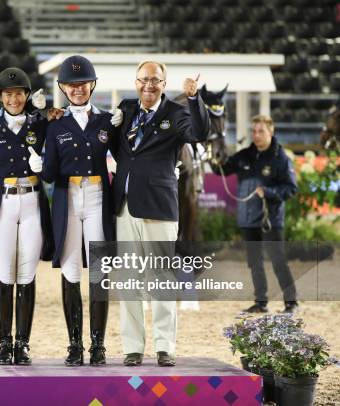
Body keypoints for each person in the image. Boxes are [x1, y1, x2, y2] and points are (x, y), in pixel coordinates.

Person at [114, 60, 209, 367]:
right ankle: (132, 346)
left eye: (155, 80)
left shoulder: (177, 113)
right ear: (136, 81)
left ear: (164, 85)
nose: (148, 85)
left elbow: (199, 132)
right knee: (129, 279)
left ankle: (164, 346)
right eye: (143, 79)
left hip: (158, 207)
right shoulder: (126, 110)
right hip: (125, 208)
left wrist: (194, 99)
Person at [33, 55, 122, 366]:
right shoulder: (56, 124)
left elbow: (125, 157)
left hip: (98, 194)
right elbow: (47, 174)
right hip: (68, 197)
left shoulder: (107, 122)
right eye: (71, 85)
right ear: (63, 89)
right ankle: (74, 343)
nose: (77, 89)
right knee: (70, 269)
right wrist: (40, 162)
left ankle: (98, 344)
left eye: (82, 84)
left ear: (92, 85)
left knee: (100, 271)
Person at [0, 67, 50, 366]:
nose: (14, 99)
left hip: (32, 202)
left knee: (27, 275)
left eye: (19, 93)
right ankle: (3, 343)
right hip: (4, 204)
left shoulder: (41, 123)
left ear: (26, 96)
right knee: (4, 276)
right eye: (8, 94)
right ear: (0, 97)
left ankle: (22, 343)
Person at [212, 115, 298, 314]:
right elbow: (220, 170)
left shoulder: (280, 158)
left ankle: (291, 302)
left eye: (261, 131)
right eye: (254, 131)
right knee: (255, 263)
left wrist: (269, 193)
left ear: (271, 132)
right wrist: (213, 157)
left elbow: (291, 188)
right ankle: (261, 302)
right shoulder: (244, 155)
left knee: (278, 261)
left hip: (270, 220)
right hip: (248, 220)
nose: (256, 135)